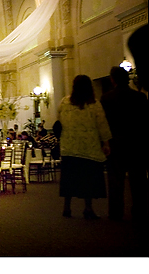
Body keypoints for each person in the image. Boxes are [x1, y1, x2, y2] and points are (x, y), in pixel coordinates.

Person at [58, 75, 112, 219]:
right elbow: (101, 124)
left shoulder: (65, 102)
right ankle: (88, 208)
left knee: (69, 179)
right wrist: (106, 143)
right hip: (90, 147)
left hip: (69, 147)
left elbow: (60, 121)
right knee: (88, 180)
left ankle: (67, 208)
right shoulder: (94, 103)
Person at [100, 66, 149, 222]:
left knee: (115, 181)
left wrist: (105, 142)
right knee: (139, 181)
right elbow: (146, 122)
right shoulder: (140, 97)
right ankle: (141, 211)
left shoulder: (106, 98)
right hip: (137, 143)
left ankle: (116, 212)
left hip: (116, 143)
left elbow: (104, 123)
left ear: (112, 79)